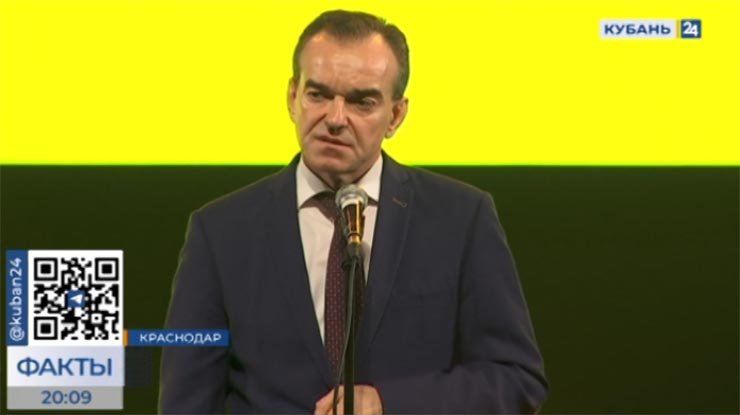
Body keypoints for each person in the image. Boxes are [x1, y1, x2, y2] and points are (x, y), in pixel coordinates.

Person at [159, 10, 547, 414]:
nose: (335, 119)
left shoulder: (461, 219)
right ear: (292, 97)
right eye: (318, 95)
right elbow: (185, 401)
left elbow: (516, 379)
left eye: (362, 102)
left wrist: (387, 404)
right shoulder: (220, 232)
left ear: (396, 116)